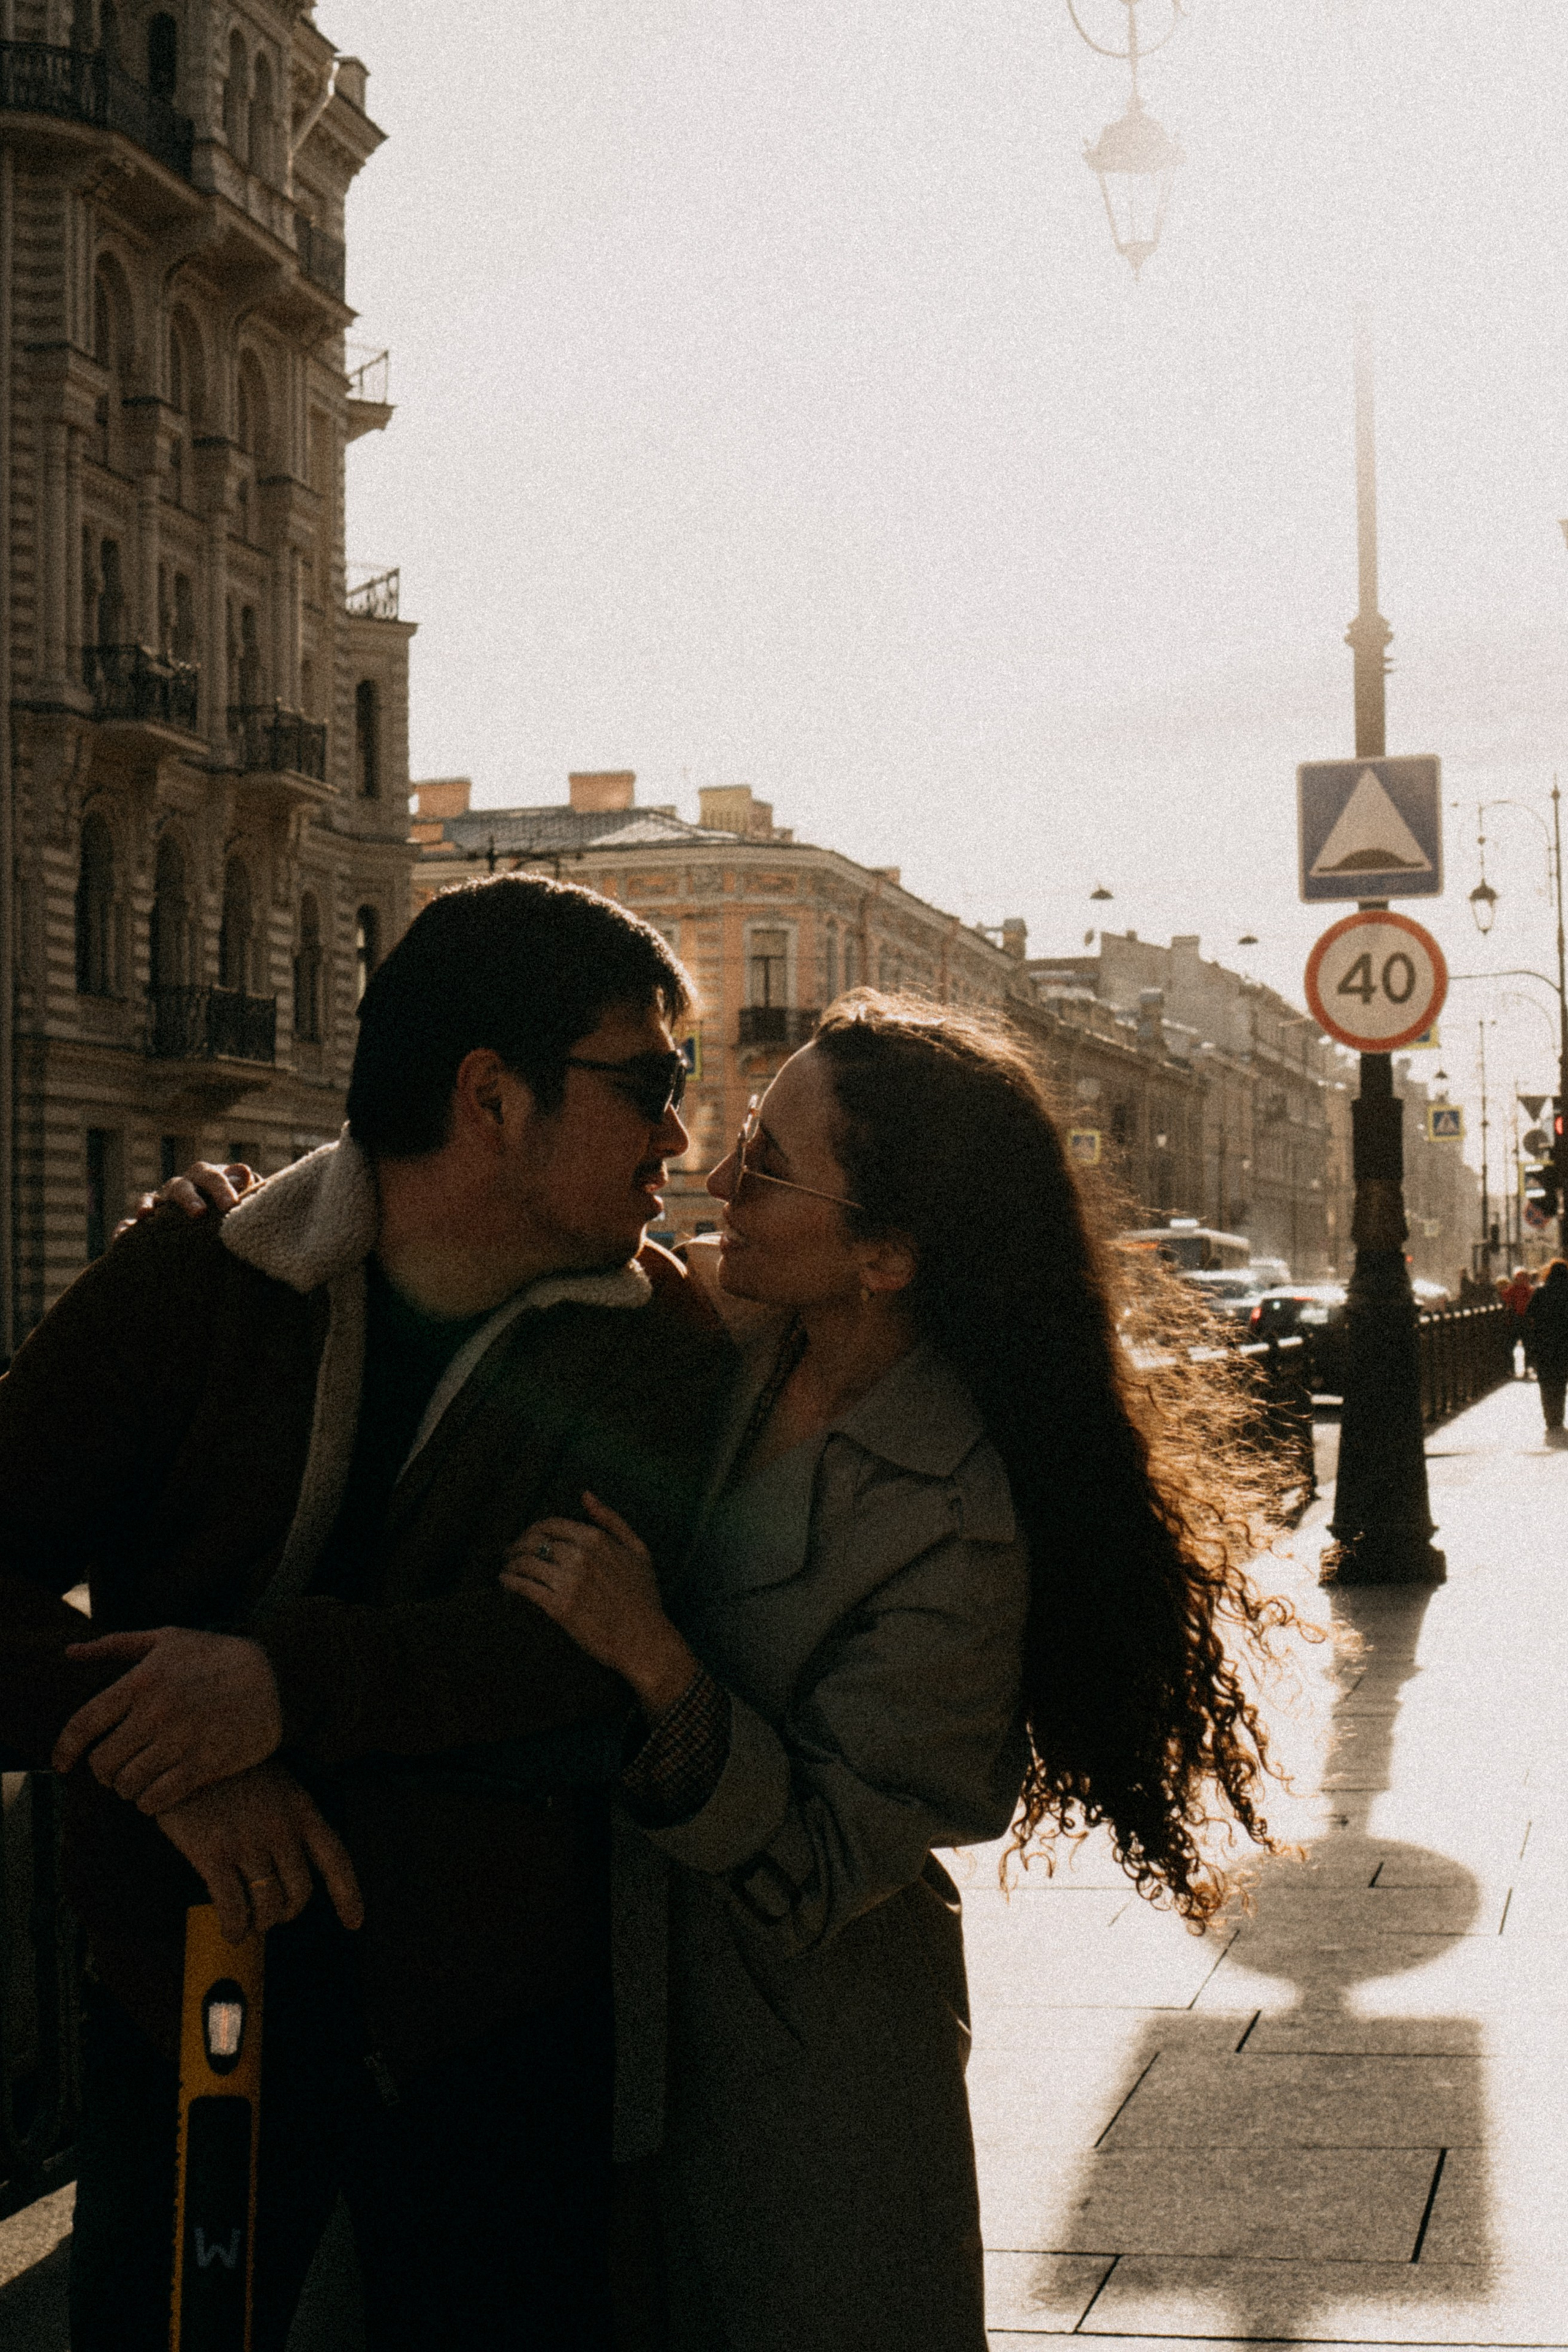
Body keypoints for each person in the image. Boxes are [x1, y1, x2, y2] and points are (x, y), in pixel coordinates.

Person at [0, 875, 733, 2351]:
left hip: (495, 2044)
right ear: (490, 1096)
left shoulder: (656, 1345)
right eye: (649, 1081)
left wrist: (272, 1683)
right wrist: (170, 1758)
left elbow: (559, 1654)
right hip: (189, 2012)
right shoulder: (199, 1284)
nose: (680, 1132)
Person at [500, 996, 1295, 2352]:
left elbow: (815, 1864)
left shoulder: (962, 1519)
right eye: (741, 1138)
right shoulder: (724, 1340)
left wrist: (653, 1656)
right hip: (599, 2041)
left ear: (885, 1255)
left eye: (766, 1166)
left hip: (809, 2099)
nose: (717, 1180)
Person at [1525, 1259, 1568, 1439]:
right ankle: (1559, 1414)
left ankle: (1551, 1418)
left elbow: (1529, 1314)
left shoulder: (1541, 1292)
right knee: (1561, 1380)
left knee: (1547, 1381)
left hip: (1544, 1342)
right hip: (1564, 1342)